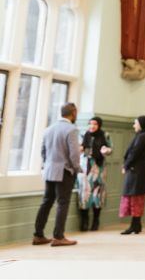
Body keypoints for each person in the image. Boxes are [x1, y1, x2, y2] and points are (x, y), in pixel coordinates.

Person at [33, 103, 82, 247]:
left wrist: (47, 164)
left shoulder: (49, 129)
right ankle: (58, 237)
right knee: (63, 203)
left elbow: (43, 151)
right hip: (64, 172)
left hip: (49, 170)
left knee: (46, 201)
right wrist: (77, 169)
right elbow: (74, 154)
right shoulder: (72, 129)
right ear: (73, 113)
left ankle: (38, 235)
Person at [76, 116, 112, 231]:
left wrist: (106, 151)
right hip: (85, 167)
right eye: (90, 124)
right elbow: (79, 147)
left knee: (98, 193)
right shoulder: (84, 134)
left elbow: (110, 149)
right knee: (84, 194)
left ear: (99, 125)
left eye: (95, 124)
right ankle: (84, 221)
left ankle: (96, 220)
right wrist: (80, 149)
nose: (92, 126)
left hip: (99, 167)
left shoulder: (105, 135)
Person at [120, 115, 145, 235]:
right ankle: (136, 225)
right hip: (140, 171)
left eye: (135, 123)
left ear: (141, 124)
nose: (134, 125)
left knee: (136, 198)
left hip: (137, 171)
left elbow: (134, 153)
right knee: (136, 198)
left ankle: (135, 225)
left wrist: (126, 166)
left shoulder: (143, 136)